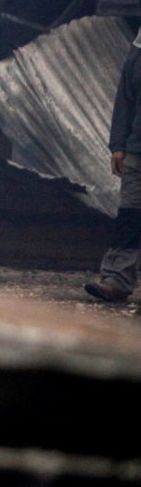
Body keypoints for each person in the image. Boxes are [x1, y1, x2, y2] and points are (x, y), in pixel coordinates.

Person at [86, 30, 141, 303]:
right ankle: (117, 279)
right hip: (138, 148)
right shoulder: (139, 49)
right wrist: (118, 144)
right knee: (130, 216)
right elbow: (125, 98)